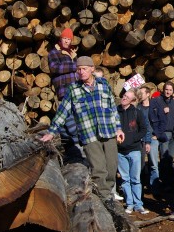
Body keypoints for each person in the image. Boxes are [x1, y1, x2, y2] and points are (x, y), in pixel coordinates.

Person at [41, 56, 124, 201]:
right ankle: (106, 199)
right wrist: (52, 132)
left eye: (84, 69)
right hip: (89, 135)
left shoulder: (104, 85)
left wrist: (118, 129)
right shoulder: (73, 90)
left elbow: (112, 109)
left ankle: (107, 192)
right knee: (99, 169)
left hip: (108, 131)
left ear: (92, 69)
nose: (81, 72)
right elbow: (63, 112)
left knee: (112, 167)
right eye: (78, 69)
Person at [48, 28, 80, 157]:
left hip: (76, 90)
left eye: (69, 39)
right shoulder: (54, 53)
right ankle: (72, 146)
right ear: (60, 39)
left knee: (74, 119)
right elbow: (55, 68)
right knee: (68, 118)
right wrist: (74, 65)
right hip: (64, 90)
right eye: (65, 38)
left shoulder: (72, 53)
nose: (67, 41)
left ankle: (74, 147)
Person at [117, 90, 149, 214]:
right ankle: (129, 204)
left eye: (127, 97)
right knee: (125, 179)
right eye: (124, 96)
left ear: (133, 100)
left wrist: (133, 139)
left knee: (135, 179)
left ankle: (138, 204)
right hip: (120, 151)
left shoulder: (137, 113)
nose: (124, 98)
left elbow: (144, 129)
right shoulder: (115, 112)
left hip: (134, 150)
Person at [148, 82, 174, 191]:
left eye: (170, 90)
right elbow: (153, 117)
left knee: (170, 158)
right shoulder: (157, 101)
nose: (168, 92)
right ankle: (164, 182)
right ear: (163, 90)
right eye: (167, 89)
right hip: (164, 133)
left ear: (173, 91)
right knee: (164, 158)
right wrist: (157, 133)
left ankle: (171, 181)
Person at [136, 85, 153, 187]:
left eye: (142, 93)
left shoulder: (153, 107)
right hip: (141, 138)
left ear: (148, 94)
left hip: (152, 137)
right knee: (140, 163)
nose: (140, 95)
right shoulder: (137, 107)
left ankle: (152, 184)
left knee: (153, 163)